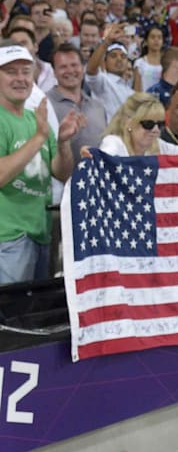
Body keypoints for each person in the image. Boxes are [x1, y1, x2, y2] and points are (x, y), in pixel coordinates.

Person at [0, 43, 82, 284]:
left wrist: (64, 142)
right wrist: (38, 137)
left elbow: (60, 172)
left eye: (26, 71)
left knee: (34, 315)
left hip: (40, 232)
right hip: (8, 237)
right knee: (10, 316)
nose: (20, 79)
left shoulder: (32, 117)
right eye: (10, 72)